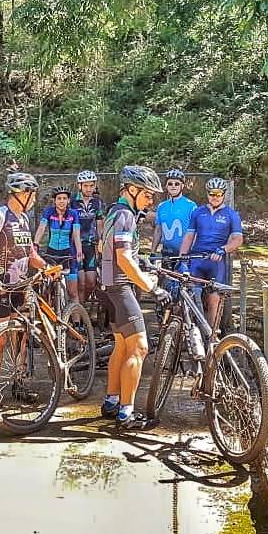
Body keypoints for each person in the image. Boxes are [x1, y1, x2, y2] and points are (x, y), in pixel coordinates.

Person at [97, 165, 168, 429]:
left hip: (108, 288)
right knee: (139, 347)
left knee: (122, 346)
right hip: (120, 288)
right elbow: (123, 258)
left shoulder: (115, 212)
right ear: (133, 190)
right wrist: (152, 288)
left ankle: (112, 400)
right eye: (148, 195)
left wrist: (142, 262)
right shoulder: (125, 214)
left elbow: (116, 250)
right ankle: (127, 413)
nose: (151, 201)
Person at [0, 172, 46, 326]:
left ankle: (19, 352)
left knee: (21, 335)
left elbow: (31, 254)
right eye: (32, 195)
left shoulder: (24, 218)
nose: (34, 199)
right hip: (1, 286)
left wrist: (46, 267)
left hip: (21, 286)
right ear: (22, 194)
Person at [178, 177, 244, 329]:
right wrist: (182, 258)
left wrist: (223, 249)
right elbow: (189, 236)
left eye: (218, 194)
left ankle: (211, 337)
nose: (215, 197)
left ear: (223, 195)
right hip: (197, 259)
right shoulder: (198, 212)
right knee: (189, 294)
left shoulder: (231, 214)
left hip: (216, 261)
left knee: (214, 300)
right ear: (207, 194)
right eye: (211, 194)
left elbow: (238, 239)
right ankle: (190, 333)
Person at [34, 185, 82, 303]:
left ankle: (76, 321)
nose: (62, 201)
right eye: (59, 198)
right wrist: (35, 244)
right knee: (47, 290)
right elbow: (41, 229)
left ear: (68, 200)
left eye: (64, 198)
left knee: (73, 292)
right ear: (54, 200)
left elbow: (76, 234)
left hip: (68, 255)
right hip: (52, 254)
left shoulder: (73, 214)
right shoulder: (49, 212)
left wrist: (79, 251)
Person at [71, 170, 105, 302]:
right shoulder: (72, 202)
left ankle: (82, 307)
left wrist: (101, 240)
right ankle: (78, 314)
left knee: (91, 282)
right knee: (81, 282)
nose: (89, 189)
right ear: (79, 186)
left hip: (90, 245)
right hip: (75, 245)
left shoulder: (97, 202)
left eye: (91, 185)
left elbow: (99, 223)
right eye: (86, 186)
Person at [150, 168, 196, 263]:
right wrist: (152, 252)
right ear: (166, 186)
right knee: (165, 278)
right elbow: (158, 229)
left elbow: (195, 232)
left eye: (177, 184)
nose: (173, 186)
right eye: (170, 183)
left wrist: (191, 251)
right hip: (166, 253)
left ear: (182, 186)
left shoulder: (191, 206)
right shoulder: (162, 206)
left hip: (185, 254)